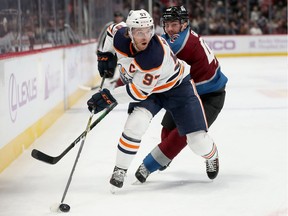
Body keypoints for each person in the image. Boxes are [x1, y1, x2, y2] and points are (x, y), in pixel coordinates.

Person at [87, 9, 219, 190]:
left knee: (197, 141)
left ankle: (211, 156)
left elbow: (138, 92)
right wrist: (105, 55)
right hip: (151, 91)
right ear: (129, 32)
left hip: (178, 88)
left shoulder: (154, 55)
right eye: (139, 32)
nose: (145, 37)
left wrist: (108, 97)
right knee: (136, 124)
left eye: (149, 31)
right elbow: (111, 31)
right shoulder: (120, 35)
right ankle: (120, 169)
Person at [134, 5, 228, 183]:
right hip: (185, 90)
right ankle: (165, 156)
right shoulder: (175, 39)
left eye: (174, 25)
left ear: (184, 24)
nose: (169, 29)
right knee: (167, 130)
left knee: (189, 136)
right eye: (167, 24)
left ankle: (210, 156)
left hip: (209, 96)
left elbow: (151, 58)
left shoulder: (180, 44)